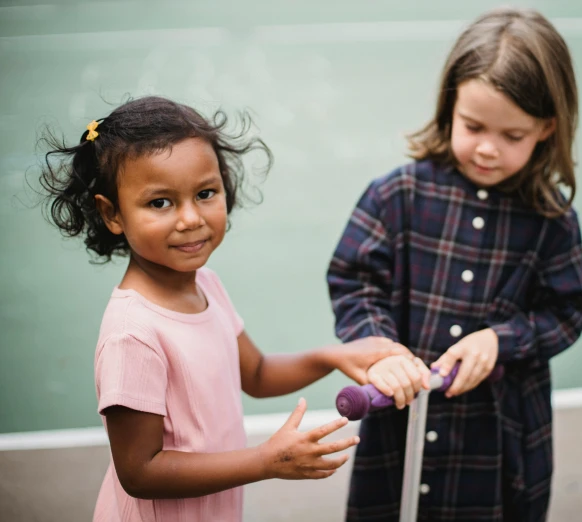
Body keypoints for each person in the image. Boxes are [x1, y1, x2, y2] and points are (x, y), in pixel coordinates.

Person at [38, 95, 410, 522]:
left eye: (205, 193)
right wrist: (266, 461)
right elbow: (140, 472)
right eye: (160, 202)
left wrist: (333, 356)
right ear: (113, 213)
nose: (190, 218)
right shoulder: (133, 333)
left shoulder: (207, 286)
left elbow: (254, 374)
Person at [327, 8, 582, 521]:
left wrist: (501, 340)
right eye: (473, 126)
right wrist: (380, 350)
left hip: (497, 445)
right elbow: (354, 280)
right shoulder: (397, 195)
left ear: (546, 128)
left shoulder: (551, 219)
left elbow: (569, 310)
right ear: (450, 106)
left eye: (512, 136)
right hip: (399, 433)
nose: (488, 149)